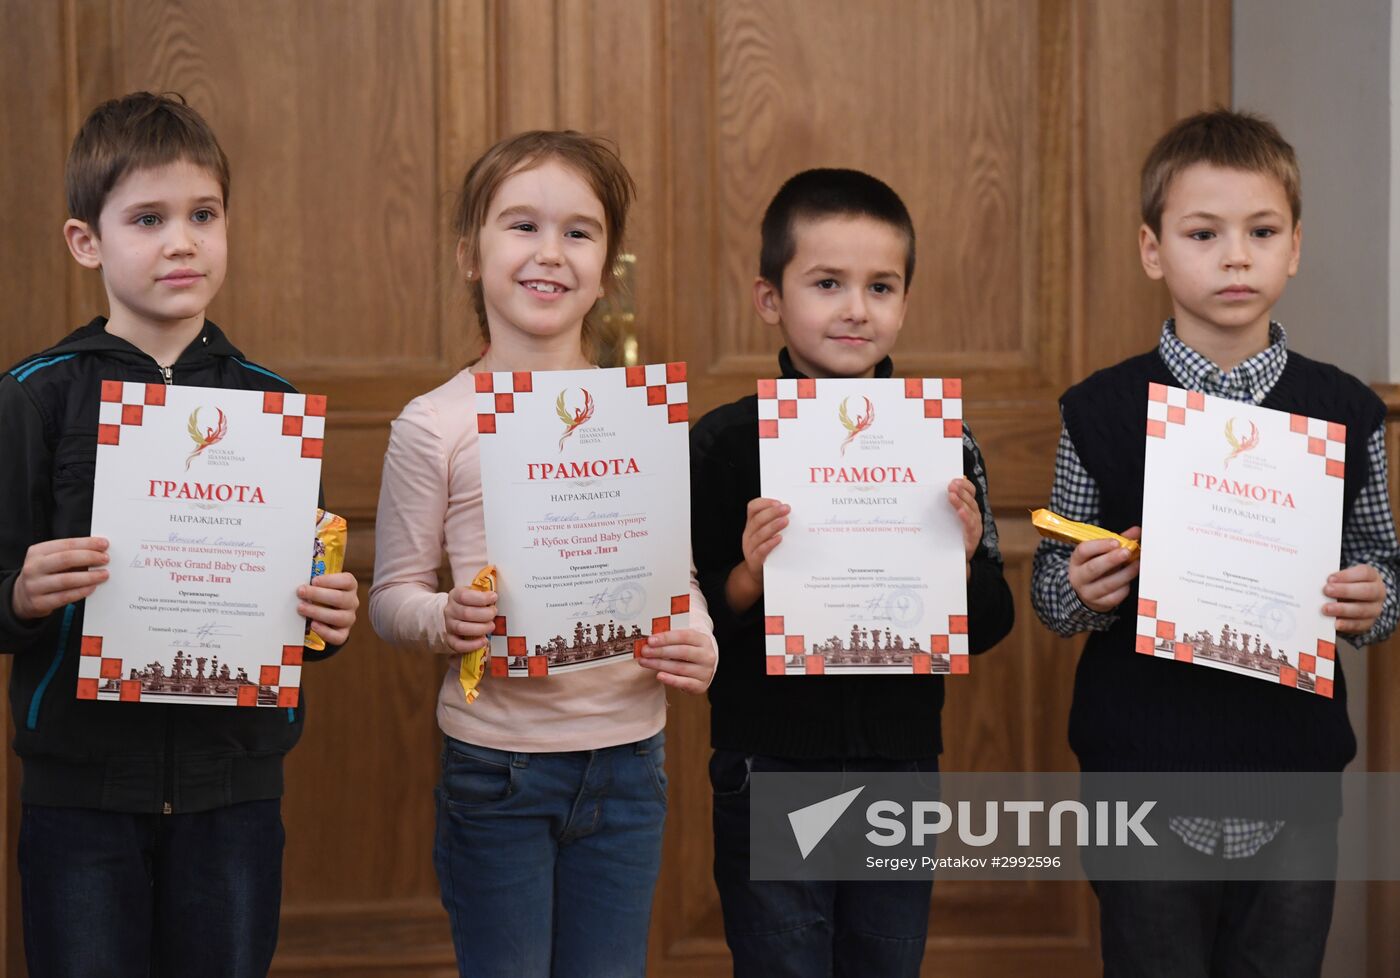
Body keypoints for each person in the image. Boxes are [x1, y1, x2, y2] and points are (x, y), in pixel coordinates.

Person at [1030, 108, 1400, 978]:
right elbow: (1051, 582)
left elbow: (1382, 564)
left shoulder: (1345, 411)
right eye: (1204, 232)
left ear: (1295, 247)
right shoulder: (1099, 411)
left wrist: (1374, 601)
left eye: (1261, 231)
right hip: (1142, 778)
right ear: (1154, 250)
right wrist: (1081, 586)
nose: (1236, 255)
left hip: (1294, 779)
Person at [0, 91, 360, 978]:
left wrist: (325, 619)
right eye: (148, 218)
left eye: (203, 214)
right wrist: (17, 593)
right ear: (87, 241)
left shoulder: (274, 409)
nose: (182, 241)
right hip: (81, 797)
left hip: (232, 796)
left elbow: (295, 609)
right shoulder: (35, 394)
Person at [369, 129, 718, 978]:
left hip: (631, 761)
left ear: (608, 266)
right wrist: (444, 617)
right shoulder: (435, 423)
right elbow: (392, 596)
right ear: (470, 253)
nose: (550, 253)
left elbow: (677, 574)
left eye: (580, 231)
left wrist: (698, 637)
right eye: (521, 226)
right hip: (498, 769)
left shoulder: (641, 415)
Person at [689, 168, 1015, 978]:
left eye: (881, 286)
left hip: (898, 762)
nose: (855, 308)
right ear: (771, 299)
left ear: (905, 301)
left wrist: (968, 556)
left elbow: (994, 619)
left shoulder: (942, 440)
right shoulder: (727, 443)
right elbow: (687, 617)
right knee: (781, 963)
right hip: (770, 762)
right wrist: (749, 575)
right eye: (827, 283)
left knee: (886, 962)